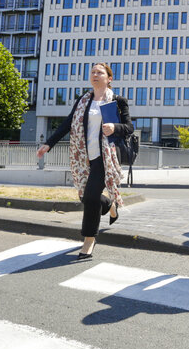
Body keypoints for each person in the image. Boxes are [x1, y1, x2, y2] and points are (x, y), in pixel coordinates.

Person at [37, 63, 133, 260]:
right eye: (93, 72)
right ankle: (108, 204)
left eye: (100, 72)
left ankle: (89, 240)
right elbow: (68, 123)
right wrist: (49, 143)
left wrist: (115, 127)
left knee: (90, 197)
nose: (95, 75)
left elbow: (129, 127)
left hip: (104, 157)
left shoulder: (117, 101)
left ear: (109, 78)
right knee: (86, 196)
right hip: (83, 156)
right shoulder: (84, 100)